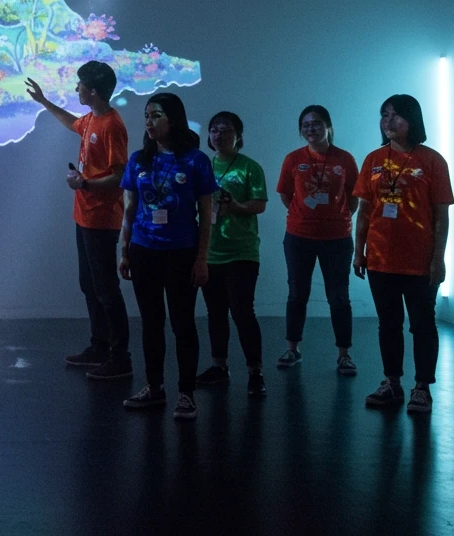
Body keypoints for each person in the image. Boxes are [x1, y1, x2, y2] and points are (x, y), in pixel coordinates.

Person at [25, 62, 132, 381]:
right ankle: (99, 346)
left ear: (94, 91)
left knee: (106, 288)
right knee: (90, 285)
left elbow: (120, 175)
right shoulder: (92, 120)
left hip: (102, 218)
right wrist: (45, 103)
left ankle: (119, 356)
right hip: (84, 216)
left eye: (81, 85)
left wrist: (85, 184)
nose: (77, 89)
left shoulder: (112, 125)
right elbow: (73, 123)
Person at [118, 93, 216, 419]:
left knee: (183, 324)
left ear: (172, 119)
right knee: (151, 324)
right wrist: (124, 249)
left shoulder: (195, 160)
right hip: (144, 250)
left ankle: (186, 393)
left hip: (182, 253)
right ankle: (154, 387)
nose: (148, 121)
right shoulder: (138, 160)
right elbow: (129, 209)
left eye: (155, 115)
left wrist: (202, 259)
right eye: (146, 115)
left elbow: (206, 214)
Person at [353, 94, 453, 414]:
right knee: (388, 324)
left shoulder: (432, 160)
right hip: (380, 258)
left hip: (420, 261)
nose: (388, 122)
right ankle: (391, 383)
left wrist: (438, 258)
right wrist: (359, 251)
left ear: (413, 120)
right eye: (384, 115)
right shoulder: (373, 160)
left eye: (396, 115)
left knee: (422, 324)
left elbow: (441, 215)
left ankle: (422, 387)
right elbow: (364, 212)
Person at [275, 105, 359, 375]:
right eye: (306, 125)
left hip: (337, 238)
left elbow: (354, 197)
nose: (311, 129)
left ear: (328, 126)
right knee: (297, 294)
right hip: (299, 236)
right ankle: (292, 348)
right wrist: (303, 216)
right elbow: (286, 195)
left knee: (339, 297)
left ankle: (344, 354)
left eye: (317, 123)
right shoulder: (292, 159)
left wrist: (338, 217)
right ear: (301, 130)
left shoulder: (344, 159)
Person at [195, 111, 268, 396]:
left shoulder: (250, 167)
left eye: (226, 130)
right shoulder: (203, 165)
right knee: (215, 313)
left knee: (242, 312)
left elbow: (259, 204)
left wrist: (235, 206)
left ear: (238, 135)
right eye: (214, 130)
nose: (218, 135)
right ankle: (219, 366)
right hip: (209, 251)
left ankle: (255, 372)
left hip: (241, 252)